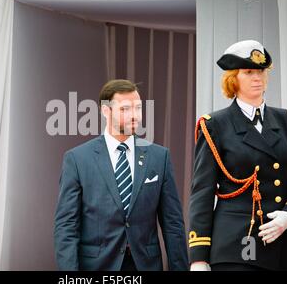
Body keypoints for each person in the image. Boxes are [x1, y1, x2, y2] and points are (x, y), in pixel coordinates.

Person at [189, 40, 287, 271]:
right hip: (236, 245)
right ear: (232, 79)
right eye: (248, 72)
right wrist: (198, 258)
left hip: (280, 244)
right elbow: (202, 193)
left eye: (260, 71)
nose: (257, 77)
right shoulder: (215, 125)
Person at [54, 79, 188, 271]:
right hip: (96, 266)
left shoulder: (159, 157)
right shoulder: (77, 159)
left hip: (145, 265)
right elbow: (66, 226)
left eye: (138, 108)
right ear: (105, 111)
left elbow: (172, 223)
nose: (135, 116)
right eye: (125, 109)